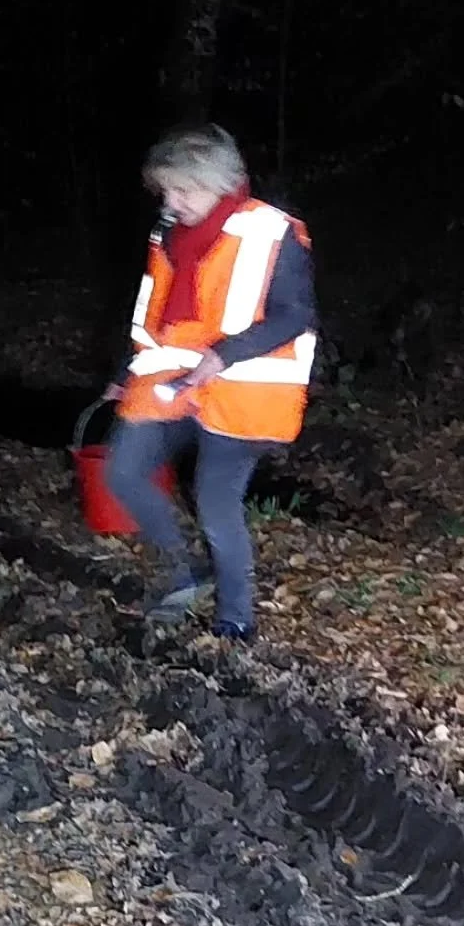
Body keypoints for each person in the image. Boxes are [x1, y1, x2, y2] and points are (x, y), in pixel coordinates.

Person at [102, 123, 318, 641]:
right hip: (173, 382)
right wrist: (123, 373)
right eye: (166, 189)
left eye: (183, 189)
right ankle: (183, 572)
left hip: (246, 390)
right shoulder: (167, 234)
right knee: (122, 471)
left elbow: (295, 315)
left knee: (216, 502)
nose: (171, 201)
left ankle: (237, 618)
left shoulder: (272, 231)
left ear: (220, 182)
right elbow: (154, 313)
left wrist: (222, 356)